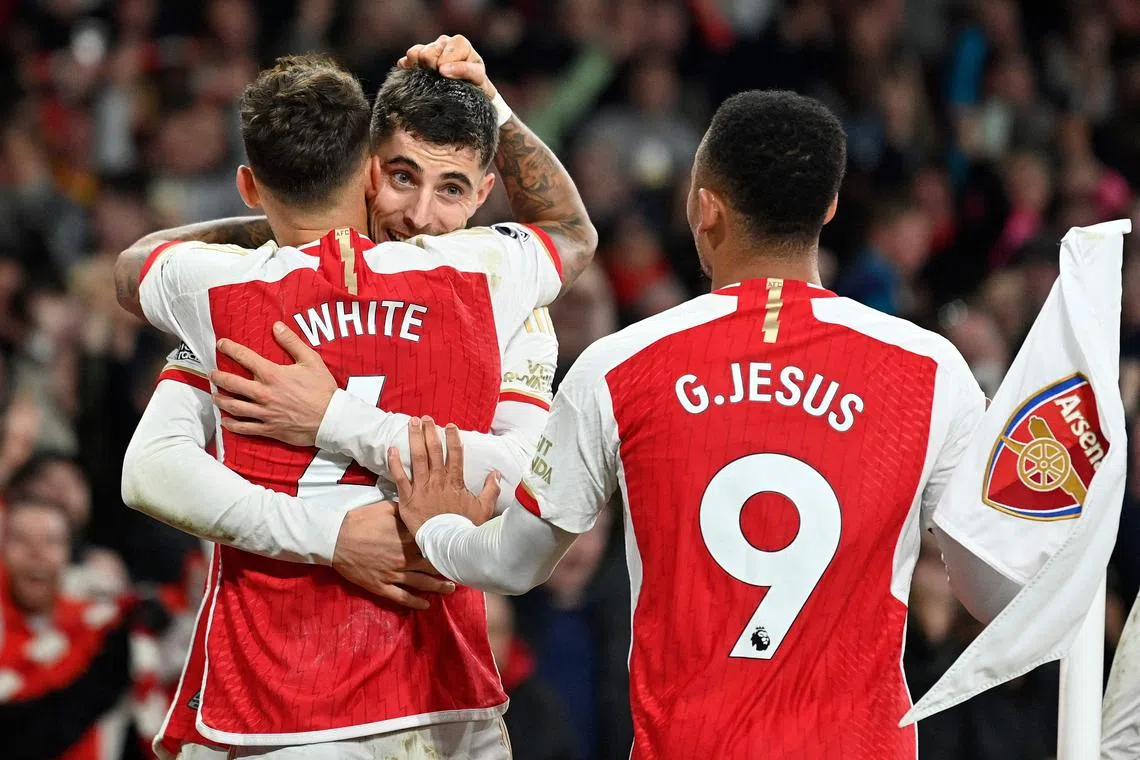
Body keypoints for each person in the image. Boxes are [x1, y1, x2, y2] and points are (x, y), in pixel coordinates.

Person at [391, 90, 1023, 759]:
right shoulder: (929, 370)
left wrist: (438, 530)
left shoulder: (620, 366)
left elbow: (514, 563)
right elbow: (991, 586)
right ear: (829, 208)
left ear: (704, 206)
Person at [115, 49, 595, 759]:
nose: (421, 216)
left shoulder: (225, 290)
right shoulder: (490, 279)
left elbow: (527, 473)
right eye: (402, 177)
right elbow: (572, 232)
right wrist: (337, 535)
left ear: (485, 193)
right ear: (366, 168)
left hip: (391, 687)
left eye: (451, 189)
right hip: (324, 695)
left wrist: (336, 420)